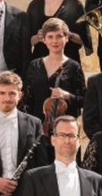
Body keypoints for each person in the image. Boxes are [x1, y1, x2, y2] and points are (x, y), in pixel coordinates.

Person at [23, 19, 87, 150]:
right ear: (44, 40)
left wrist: (67, 96)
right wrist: (31, 127)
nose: (55, 41)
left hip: (65, 132)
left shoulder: (74, 67)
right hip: (38, 130)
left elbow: (85, 100)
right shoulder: (34, 65)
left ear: (66, 38)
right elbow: (27, 101)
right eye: (50, 37)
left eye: (59, 36)